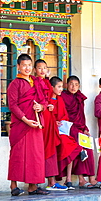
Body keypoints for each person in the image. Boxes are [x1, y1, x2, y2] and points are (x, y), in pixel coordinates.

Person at [7, 54, 50, 196]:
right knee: (17, 155)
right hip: (22, 125)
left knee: (35, 155)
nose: (27, 68)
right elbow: (12, 105)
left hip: (35, 123)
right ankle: (13, 186)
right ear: (18, 66)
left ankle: (33, 186)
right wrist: (25, 120)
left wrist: (41, 108)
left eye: (29, 65)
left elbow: (44, 100)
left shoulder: (36, 81)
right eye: (24, 65)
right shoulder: (15, 84)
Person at [61, 75, 100, 189]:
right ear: (66, 85)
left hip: (79, 127)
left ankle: (91, 178)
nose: (73, 87)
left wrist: (85, 128)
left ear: (79, 86)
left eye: (76, 85)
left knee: (88, 148)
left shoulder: (79, 97)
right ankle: (81, 179)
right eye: (71, 84)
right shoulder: (63, 96)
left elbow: (81, 115)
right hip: (69, 128)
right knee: (79, 149)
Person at [34, 60, 68, 191]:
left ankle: (51, 182)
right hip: (41, 120)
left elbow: (48, 99)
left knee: (51, 150)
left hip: (49, 119)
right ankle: (35, 183)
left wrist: (50, 106)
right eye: (39, 68)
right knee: (39, 151)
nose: (42, 70)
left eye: (44, 68)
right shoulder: (33, 83)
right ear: (35, 70)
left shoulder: (47, 83)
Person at [48, 76, 82, 190]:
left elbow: (65, 116)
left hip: (61, 130)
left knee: (72, 146)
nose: (61, 89)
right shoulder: (47, 99)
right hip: (51, 132)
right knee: (66, 145)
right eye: (59, 87)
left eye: (62, 87)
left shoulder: (60, 99)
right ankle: (58, 181)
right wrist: (54, 122)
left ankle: (68, 179)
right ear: (51, 87)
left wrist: (62, 122)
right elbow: (46, 116)